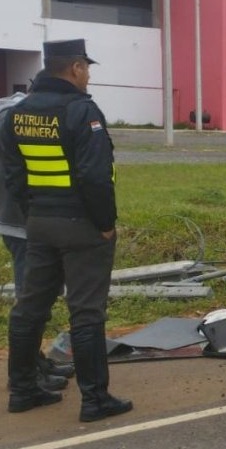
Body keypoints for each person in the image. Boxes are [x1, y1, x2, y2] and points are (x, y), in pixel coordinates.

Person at [2, 39, 132, 421]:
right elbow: (94, 176)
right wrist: (105, 225)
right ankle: (95, 400)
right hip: (82, 226)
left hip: (39, 224)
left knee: (30, 309)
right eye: (87, 68)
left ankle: (23, 390)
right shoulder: (81, 111)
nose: (88, 75)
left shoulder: (18, 113)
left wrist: (34, 214)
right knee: (87, 312)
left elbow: (13, 175)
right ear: (75, 67)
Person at [0, 84, 75, 393]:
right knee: (31, 299)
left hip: (17, 219)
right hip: (24, 221)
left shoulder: (10, 111)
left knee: (35, 296)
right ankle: (28, 372)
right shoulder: (20, 116)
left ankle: (36, 360)